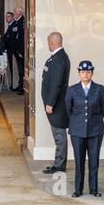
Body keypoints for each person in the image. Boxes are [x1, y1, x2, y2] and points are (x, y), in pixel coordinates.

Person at [65, 61, 104, 198]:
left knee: (94, 161)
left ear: (92, 73)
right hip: (77, 131)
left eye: (88, 72)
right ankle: (78, 189)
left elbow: (103, 109)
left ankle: (94, 189)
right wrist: (77, 123)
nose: (85, 74)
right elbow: (68, 110)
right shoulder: (72, 90)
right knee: (79, 161)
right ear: (79, 73)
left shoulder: (100, 89)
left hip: (95, 130)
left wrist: (94, 121)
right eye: (83, 72)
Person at [41, 32, 71, 174]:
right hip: (54, 103)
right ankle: (58, 162)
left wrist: (50, 103)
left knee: (59, 135)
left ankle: (60, 164)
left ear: (52, 43)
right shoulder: (57, 57)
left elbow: (57, 84)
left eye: (48, 42)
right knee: (58, 134)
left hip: (57, 104)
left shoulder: (59, 59)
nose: (48, 45)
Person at [12, 7, 25, 95]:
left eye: (15, 12)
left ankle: (22, 88)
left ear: (20, 13)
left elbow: (22, 33)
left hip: (21, 49)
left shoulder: (22, 20)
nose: (14, 14)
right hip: (17, 49)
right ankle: (20, 86)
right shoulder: (17, 21)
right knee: (19, 70)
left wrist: (16, 29)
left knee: (22, 70)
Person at [3, 12, 15, 90]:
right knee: (10, 68)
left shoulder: (13, 25)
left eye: (9, 17)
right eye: (6, 17)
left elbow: (9, 38)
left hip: (12, 50)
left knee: (12, 68)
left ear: (13, 17)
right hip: (8, 50)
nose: (7, 18)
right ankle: (12, 84)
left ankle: (13, 84)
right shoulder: (10, 25)